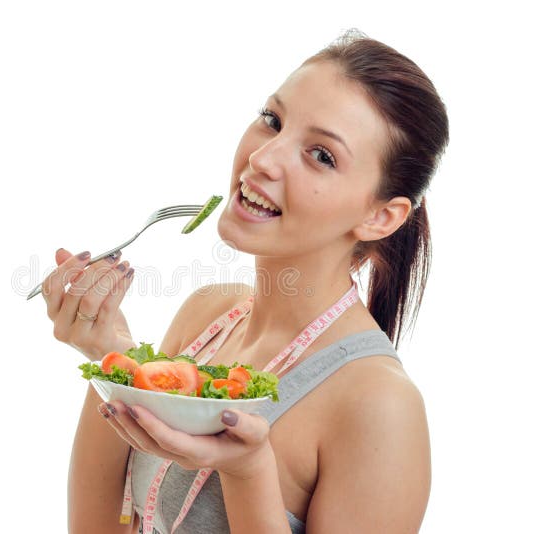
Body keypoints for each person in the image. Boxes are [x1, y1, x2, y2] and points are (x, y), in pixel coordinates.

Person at [42, 29, 449, 533]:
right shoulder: (208, 315)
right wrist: (112, 358)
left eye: (321, 155)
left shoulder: (380, 407)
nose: (263, 158)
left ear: (381, 217)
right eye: (273, 120)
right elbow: (101, 527)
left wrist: (248, 469)